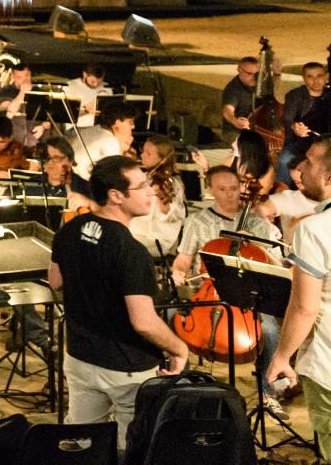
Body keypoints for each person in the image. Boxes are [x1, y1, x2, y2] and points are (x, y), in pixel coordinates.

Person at [48, 155, 188, 445]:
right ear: (116, 195)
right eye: (141, 186)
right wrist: (179, 348)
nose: (150, 191)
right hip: (125, 368)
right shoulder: (131, 251)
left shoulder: (69, 229)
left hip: (79, 357)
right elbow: (144, 322)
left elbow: (56, 282)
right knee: (130, 451)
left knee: (84, 445)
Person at [171, 165, 286, 420]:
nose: (229, 195)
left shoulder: (256, 222)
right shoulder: (197, 220)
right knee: (171, 321)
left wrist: (256, 245)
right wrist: (178, 271)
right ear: (210, 189)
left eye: (234, 188)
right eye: (222, 189)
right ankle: (181, 387)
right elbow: (183, 258)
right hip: (208, 291)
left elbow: (277, 266)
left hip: (249, 296)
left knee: (269, 329)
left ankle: (269, 393)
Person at [278, 62, 330, 188]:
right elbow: (287, 118)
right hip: (299, 144)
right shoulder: (294, 95)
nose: (316, 80)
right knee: (285, 160)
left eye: (319, 76)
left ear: (325, 77)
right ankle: (283, 191)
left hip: (326, 145)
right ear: (304, 78)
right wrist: (294, 127)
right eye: (310, 77)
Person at [223, 55, 263, 137]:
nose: (253, 77)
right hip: (236, 131)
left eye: (256, 74)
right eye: (249, 73)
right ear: (239, 69)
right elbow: (227, 110)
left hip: (256, 127)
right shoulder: (233, 89)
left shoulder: (259, 83)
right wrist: (234, 121)